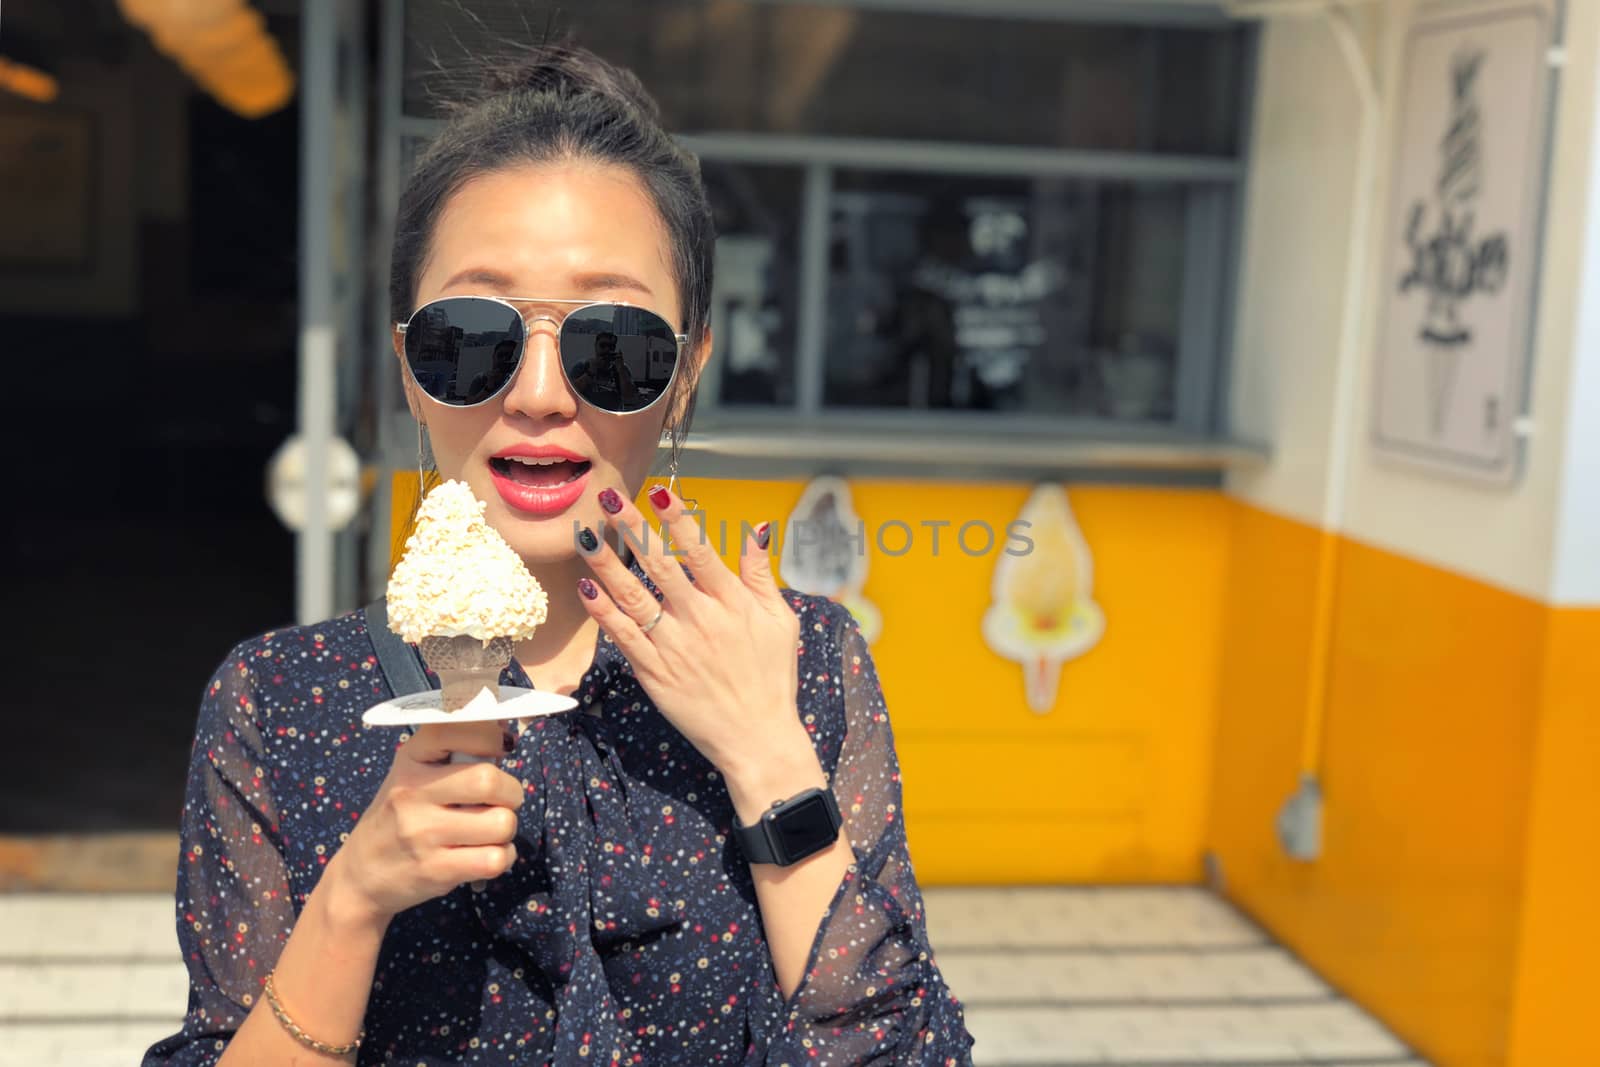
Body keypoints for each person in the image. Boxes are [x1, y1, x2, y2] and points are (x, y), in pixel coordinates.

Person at [143, 41, 974, 1067]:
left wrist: (764, 752)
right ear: (408, 361)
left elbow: (904, 1050)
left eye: (613, 342)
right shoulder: (280, 700)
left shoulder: (801, 662)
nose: (538, 391)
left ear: (688, 367)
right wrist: (352, 900)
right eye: (472, 334)